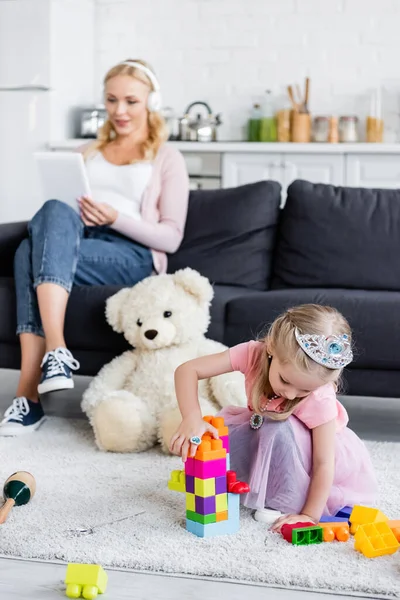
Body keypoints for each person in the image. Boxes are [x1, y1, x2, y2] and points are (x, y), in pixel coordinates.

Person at [0, 59, 189, 436]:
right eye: (112, 100)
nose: (120, 111)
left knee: (27, 254)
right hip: (78, 243)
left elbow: (171, 237)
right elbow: (61, 214)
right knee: (50, 215)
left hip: (131, 253)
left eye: (131, 101)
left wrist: (113, 217)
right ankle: (54, 358)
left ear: (152, 101)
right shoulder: (86, 151)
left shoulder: (166, 156)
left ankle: (31, 392)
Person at [169, 304, 378, 530]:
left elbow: (323, 463)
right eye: (286, 381)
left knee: (279, 426)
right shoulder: (253, 353)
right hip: (264, 429)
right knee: (231, 432)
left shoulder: (320, 400)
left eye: (304, 390)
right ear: (270, 348)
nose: (289, 394)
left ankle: (281, 495)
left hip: (308, 454)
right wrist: (191, 417)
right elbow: (187, 370)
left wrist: (309, 515)